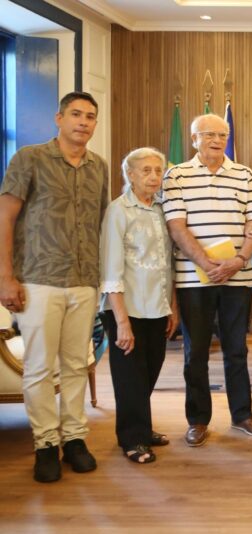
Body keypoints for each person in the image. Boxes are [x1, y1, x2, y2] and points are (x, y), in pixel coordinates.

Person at [0, 91, 108, 482]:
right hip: (37, 280)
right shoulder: (29, 158)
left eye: (90, 116)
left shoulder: (99, 166)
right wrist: (5, 277)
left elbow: (99, 224)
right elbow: (5, 217)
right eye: (76, 114)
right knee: (40, 367)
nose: (83, 122)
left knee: (77, 364)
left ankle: (74, 439)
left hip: (84, 281)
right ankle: (45, 443)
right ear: (58, 118)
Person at [162, 113, 252, 447]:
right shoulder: (176, 176)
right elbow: (176, 227)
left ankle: (242, 415)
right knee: (195, 353)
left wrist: (237, 261)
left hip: (238, 277)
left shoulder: (246, 175)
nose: (216, 140)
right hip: (194, 280)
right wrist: (207, 264)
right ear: (193, 139)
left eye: (222, 134)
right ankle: (197, 420)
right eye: (208, 134)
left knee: (237, 348)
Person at [99, 147, 179, 464]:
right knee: (129, 377)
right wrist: (121, 322)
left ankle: (142, 429)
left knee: (149, 373)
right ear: (129, 175)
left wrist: (172, 305)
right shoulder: (119, 211)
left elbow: (168, 265)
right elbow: (110, 269)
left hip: (157, 308)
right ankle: (131, 439)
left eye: (158, 170)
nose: (153, 176)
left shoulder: (162, 209)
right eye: (145, 170)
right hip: (126, 309)